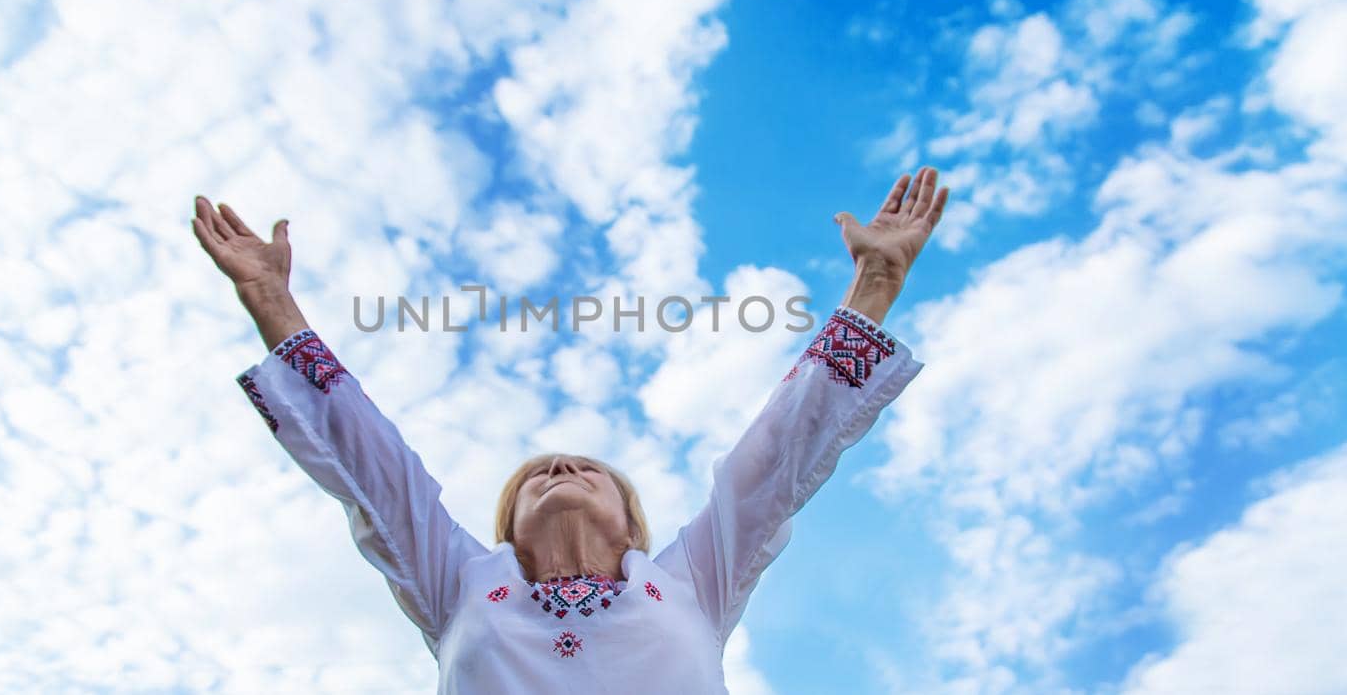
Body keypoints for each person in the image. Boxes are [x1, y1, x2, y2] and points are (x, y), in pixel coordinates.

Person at [192, 168, 948, 693]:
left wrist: (875, 283)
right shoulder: (460, 585)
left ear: (632, 521)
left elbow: (777, 457)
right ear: (508, 529)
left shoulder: (690, 583)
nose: (559, 469)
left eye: (587, 469)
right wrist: (271, 300)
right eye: (538, 476)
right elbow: (377, 472)